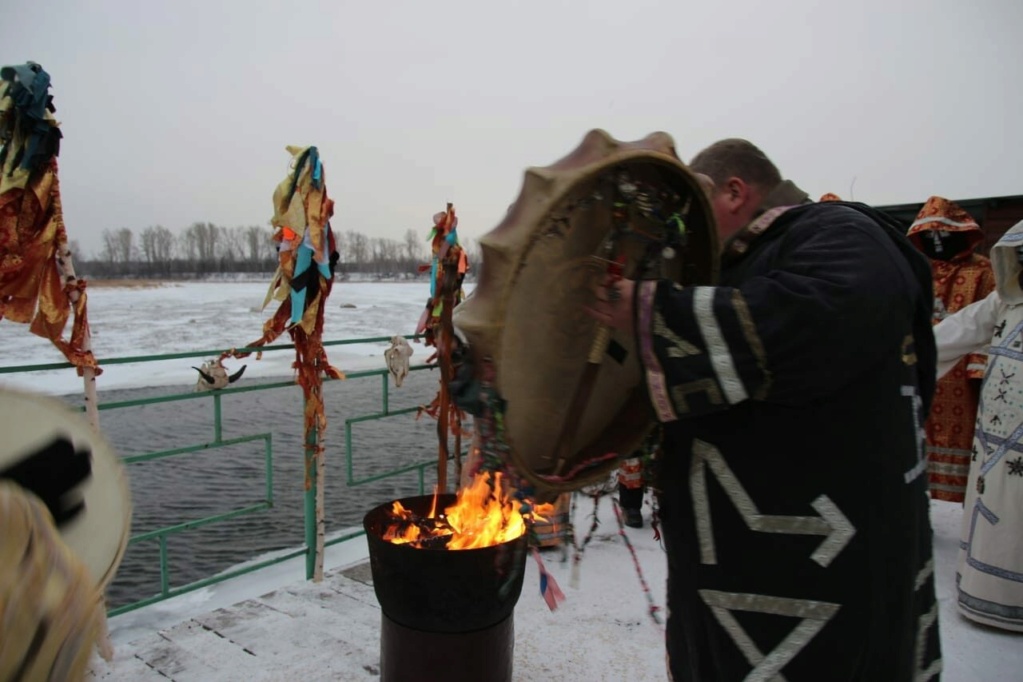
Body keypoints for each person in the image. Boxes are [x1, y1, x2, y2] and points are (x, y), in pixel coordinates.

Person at [586, 139, 941, 680]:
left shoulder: (838, 231)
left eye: (695, 206)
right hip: (750, 570)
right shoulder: (748, 260)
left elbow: (828, 314)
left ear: (734, 190)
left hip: (822, 573)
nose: (688, 228)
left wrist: (648, 308)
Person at [932, 219, 1023, 632]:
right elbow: (957, 330)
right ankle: (989, 596)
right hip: (997, 445)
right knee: (999, 517)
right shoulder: (1006, 302)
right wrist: (903, 352)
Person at [907, 196, 995, 502]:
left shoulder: (983, 271)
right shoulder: (917, 272)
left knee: (957, 436)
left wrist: (979, 371)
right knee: (917, 428)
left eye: (944, 234)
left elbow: (986, 326)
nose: (938, 242)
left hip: (959, 374)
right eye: (930, 235)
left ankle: (954, 501)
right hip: (918, 364)